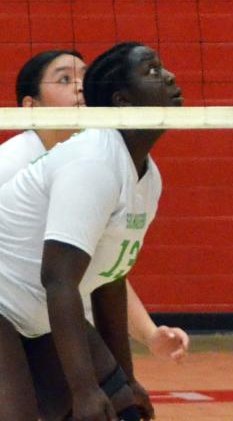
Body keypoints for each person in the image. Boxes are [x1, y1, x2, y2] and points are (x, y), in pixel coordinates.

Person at [0, 42, 182, 421]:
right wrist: (84, 389)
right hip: (8, 303)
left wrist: (126, 378)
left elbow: (109, 277)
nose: (169, 77)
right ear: (122, 100)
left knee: (123, 408)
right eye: (151, 71)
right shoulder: (90, 161)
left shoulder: (145, 175)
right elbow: (58, 277)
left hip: (39, 311)